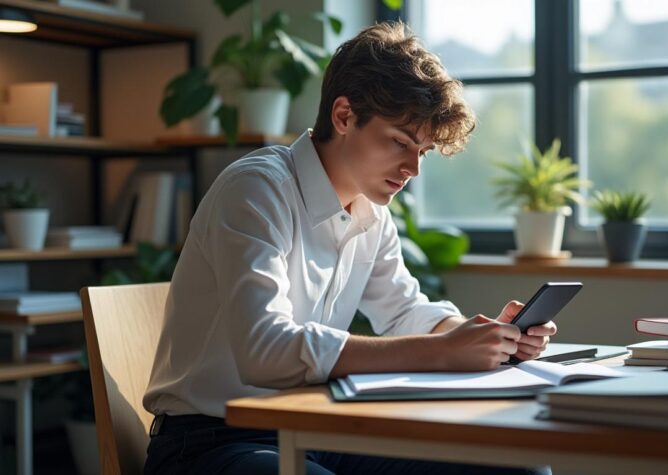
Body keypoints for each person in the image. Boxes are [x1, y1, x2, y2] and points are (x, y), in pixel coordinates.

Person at [143, 21, 555, 475]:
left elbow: (402, 312)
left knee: (519, 470)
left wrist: (484, 336)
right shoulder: (256, 189)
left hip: (317, 425)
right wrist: (440, 352)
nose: (413, 169)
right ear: (343, 117)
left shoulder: (371, 211)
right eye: (400, 142)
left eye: (423, 151)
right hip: (211, 440)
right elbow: (264, 350)